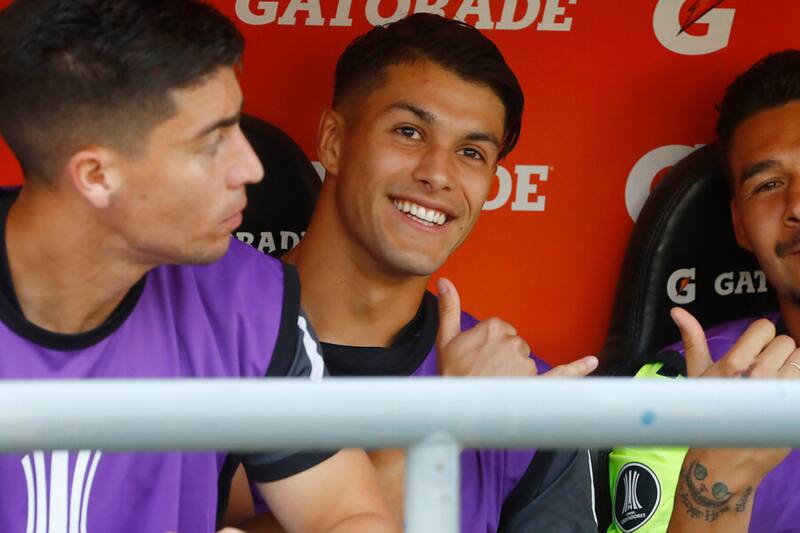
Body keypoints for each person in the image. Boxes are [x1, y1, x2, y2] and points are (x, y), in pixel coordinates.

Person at [0, 1, 399, 532]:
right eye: (212, 142)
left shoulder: (245, 297)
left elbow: (350, 516)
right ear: (96, 175)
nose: (252, 166)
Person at [225, 13, 599, 533]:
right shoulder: (202, 334)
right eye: (409, 131)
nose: (439, 173)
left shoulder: (521, 395)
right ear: (333, 140)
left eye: (471, 152)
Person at [607, 50, 800, 533]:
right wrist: (713, 493)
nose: (799, 205)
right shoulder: (678, 390)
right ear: (739, 223)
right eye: (770, 184)